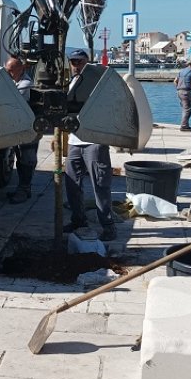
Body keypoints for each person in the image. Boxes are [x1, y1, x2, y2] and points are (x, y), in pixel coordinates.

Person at [63, 48, 116, 241]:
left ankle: (108, 226)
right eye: (73, 62)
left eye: (80, 61)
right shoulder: (71, 82)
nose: (76, 65)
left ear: (87, 62)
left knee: (100, 184)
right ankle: (78, 219)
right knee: (71, 183)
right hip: (74, 140)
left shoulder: (98, 83)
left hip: (94, 141)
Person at [4, 56, 38, 204]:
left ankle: (24, 189)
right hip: (20, 129)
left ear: (21, 69)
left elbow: (13, 102)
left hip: (28, 130)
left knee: (27, 160)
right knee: (20, 159)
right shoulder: (15, 81)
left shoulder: (25, 85)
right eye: (8, 71)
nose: (9, 74)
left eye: (12, 71)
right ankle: (23, 189)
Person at [175, 60, 191, 131]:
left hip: (179, 92)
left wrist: (178, 89)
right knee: (187, 110)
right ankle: (184, 126)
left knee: (185, 108)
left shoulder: (181, 71)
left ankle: (186, 124)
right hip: (186, 92)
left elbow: (175, 81)